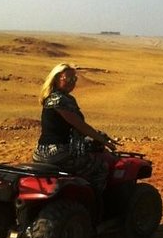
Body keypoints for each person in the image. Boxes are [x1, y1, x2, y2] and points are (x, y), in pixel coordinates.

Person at [34, 63, 117, 205]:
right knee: (101, 168)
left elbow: (73, 128)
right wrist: (103, 141)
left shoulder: (54, 98)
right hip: (58, 152)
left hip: (42, 152)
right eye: (68, 79)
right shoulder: (59, 99)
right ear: (56, 78)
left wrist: (98, 135)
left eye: (74, 80)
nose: (72, 83)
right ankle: (95, 207)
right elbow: (79, 125)